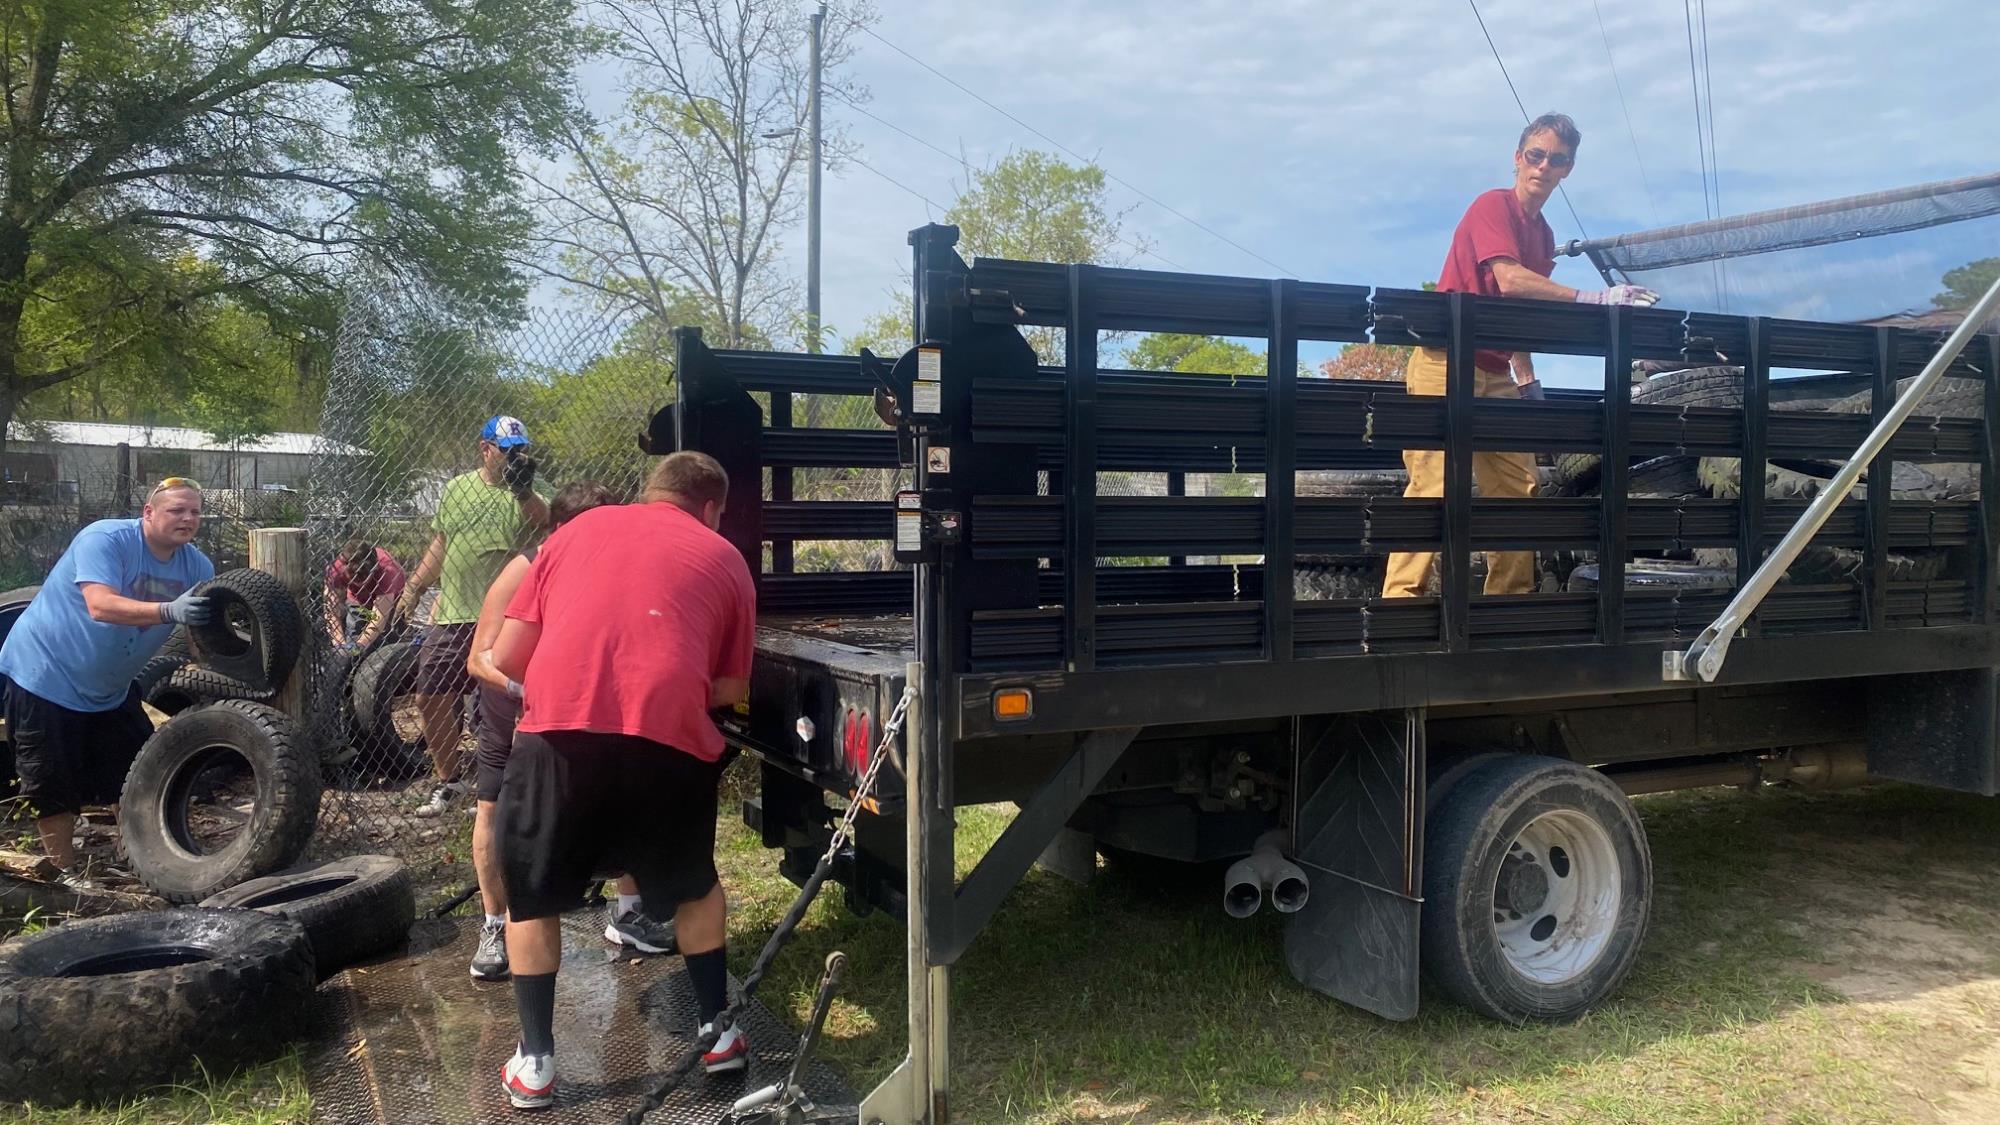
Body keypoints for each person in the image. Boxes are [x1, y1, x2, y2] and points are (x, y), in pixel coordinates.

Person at [488, 452, 754, 1109]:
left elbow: (509, 655)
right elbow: (731, 688)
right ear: (712, 506)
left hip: (556, 735)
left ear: (649, 491)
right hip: (665, 740)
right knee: (695, 886)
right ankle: (717, 1033)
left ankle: (537, 1065)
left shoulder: (573, 532)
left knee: (534, 897)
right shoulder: (724, 557)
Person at [1381, 113, 1661, 599]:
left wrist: (1526, 375)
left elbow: (1520, 309)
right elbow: (1510, 279)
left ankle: (1506, 604)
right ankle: (1398, 602)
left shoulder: (1544, 234)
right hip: (1444, 362)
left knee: (1518, 487)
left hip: (1495, 368)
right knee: (1434, 484)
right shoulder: (1493, 206)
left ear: (1567, 170)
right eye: (1536, 155)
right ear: (1518, 158)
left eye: (1557, 159)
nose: (1544, 166)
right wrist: (1592, 298)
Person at [461, 480, 676, 983]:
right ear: (560, 531)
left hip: (580, 706)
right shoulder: (525, 567)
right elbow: (479, 658)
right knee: (494, 809)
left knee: (621, 794)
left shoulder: (619, 565)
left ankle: (629, 915)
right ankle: (495, 926)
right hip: (514, 704)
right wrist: (528, 685)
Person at [0, 479, 215, 887]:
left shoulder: (197, 566)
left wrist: (212, 664)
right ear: (149, 513)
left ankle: (138, 859)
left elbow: (195, 633)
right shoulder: (106, 539)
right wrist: (169, 609)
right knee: (51, 780)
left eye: (195, 512)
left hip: (110, 688)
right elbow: (99, 605)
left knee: (139, 770)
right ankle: (63, 876)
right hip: (46, 675)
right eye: (176, 511)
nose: (187, 519)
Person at [396, 416, 552, 817]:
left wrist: (523, 491)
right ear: (485, 449)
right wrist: (413, 587)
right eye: (508, 449)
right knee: (429, 696)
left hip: (507, 617)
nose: (517, 455)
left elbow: (549, 526)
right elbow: (442, 544)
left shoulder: (533, 487)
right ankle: (451, 783)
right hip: (454, 613)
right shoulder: (457, 489)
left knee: (502, 708)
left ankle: (500, 788)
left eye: (521, 448)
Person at [323, 540, 406, 650]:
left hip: (392, 595)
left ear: (374, 569)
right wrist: (340, 644)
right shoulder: (336, 570)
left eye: (364, 580)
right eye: (355, 580)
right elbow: (331, 611)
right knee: (355, 628)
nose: (361, 585)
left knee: (388, 634)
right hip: (358, 598)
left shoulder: (388, 572)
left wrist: (361, 645)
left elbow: (380, 618)